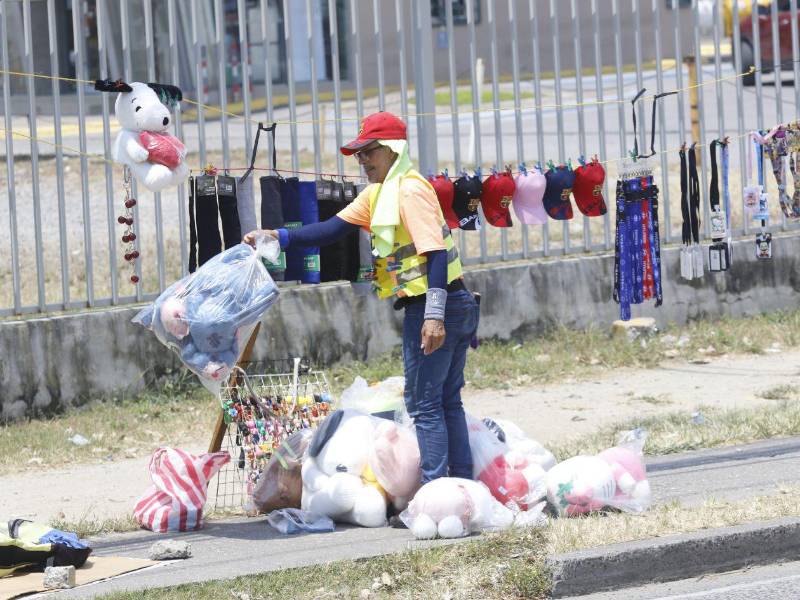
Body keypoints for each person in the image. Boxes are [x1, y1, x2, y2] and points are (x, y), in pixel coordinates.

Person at [243, 111, 478, 484]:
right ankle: (463, 483)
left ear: (392, 150)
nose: (362, 161)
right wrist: (276, 236)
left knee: (425, 404)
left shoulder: (410, 190)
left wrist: (434, 317)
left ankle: (437, 489)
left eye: (369, 152)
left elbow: (434, 254)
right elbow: (331, 229)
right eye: (358, 154)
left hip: (438, 305)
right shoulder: (378, 193)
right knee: (444, 400)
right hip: (445, 303)